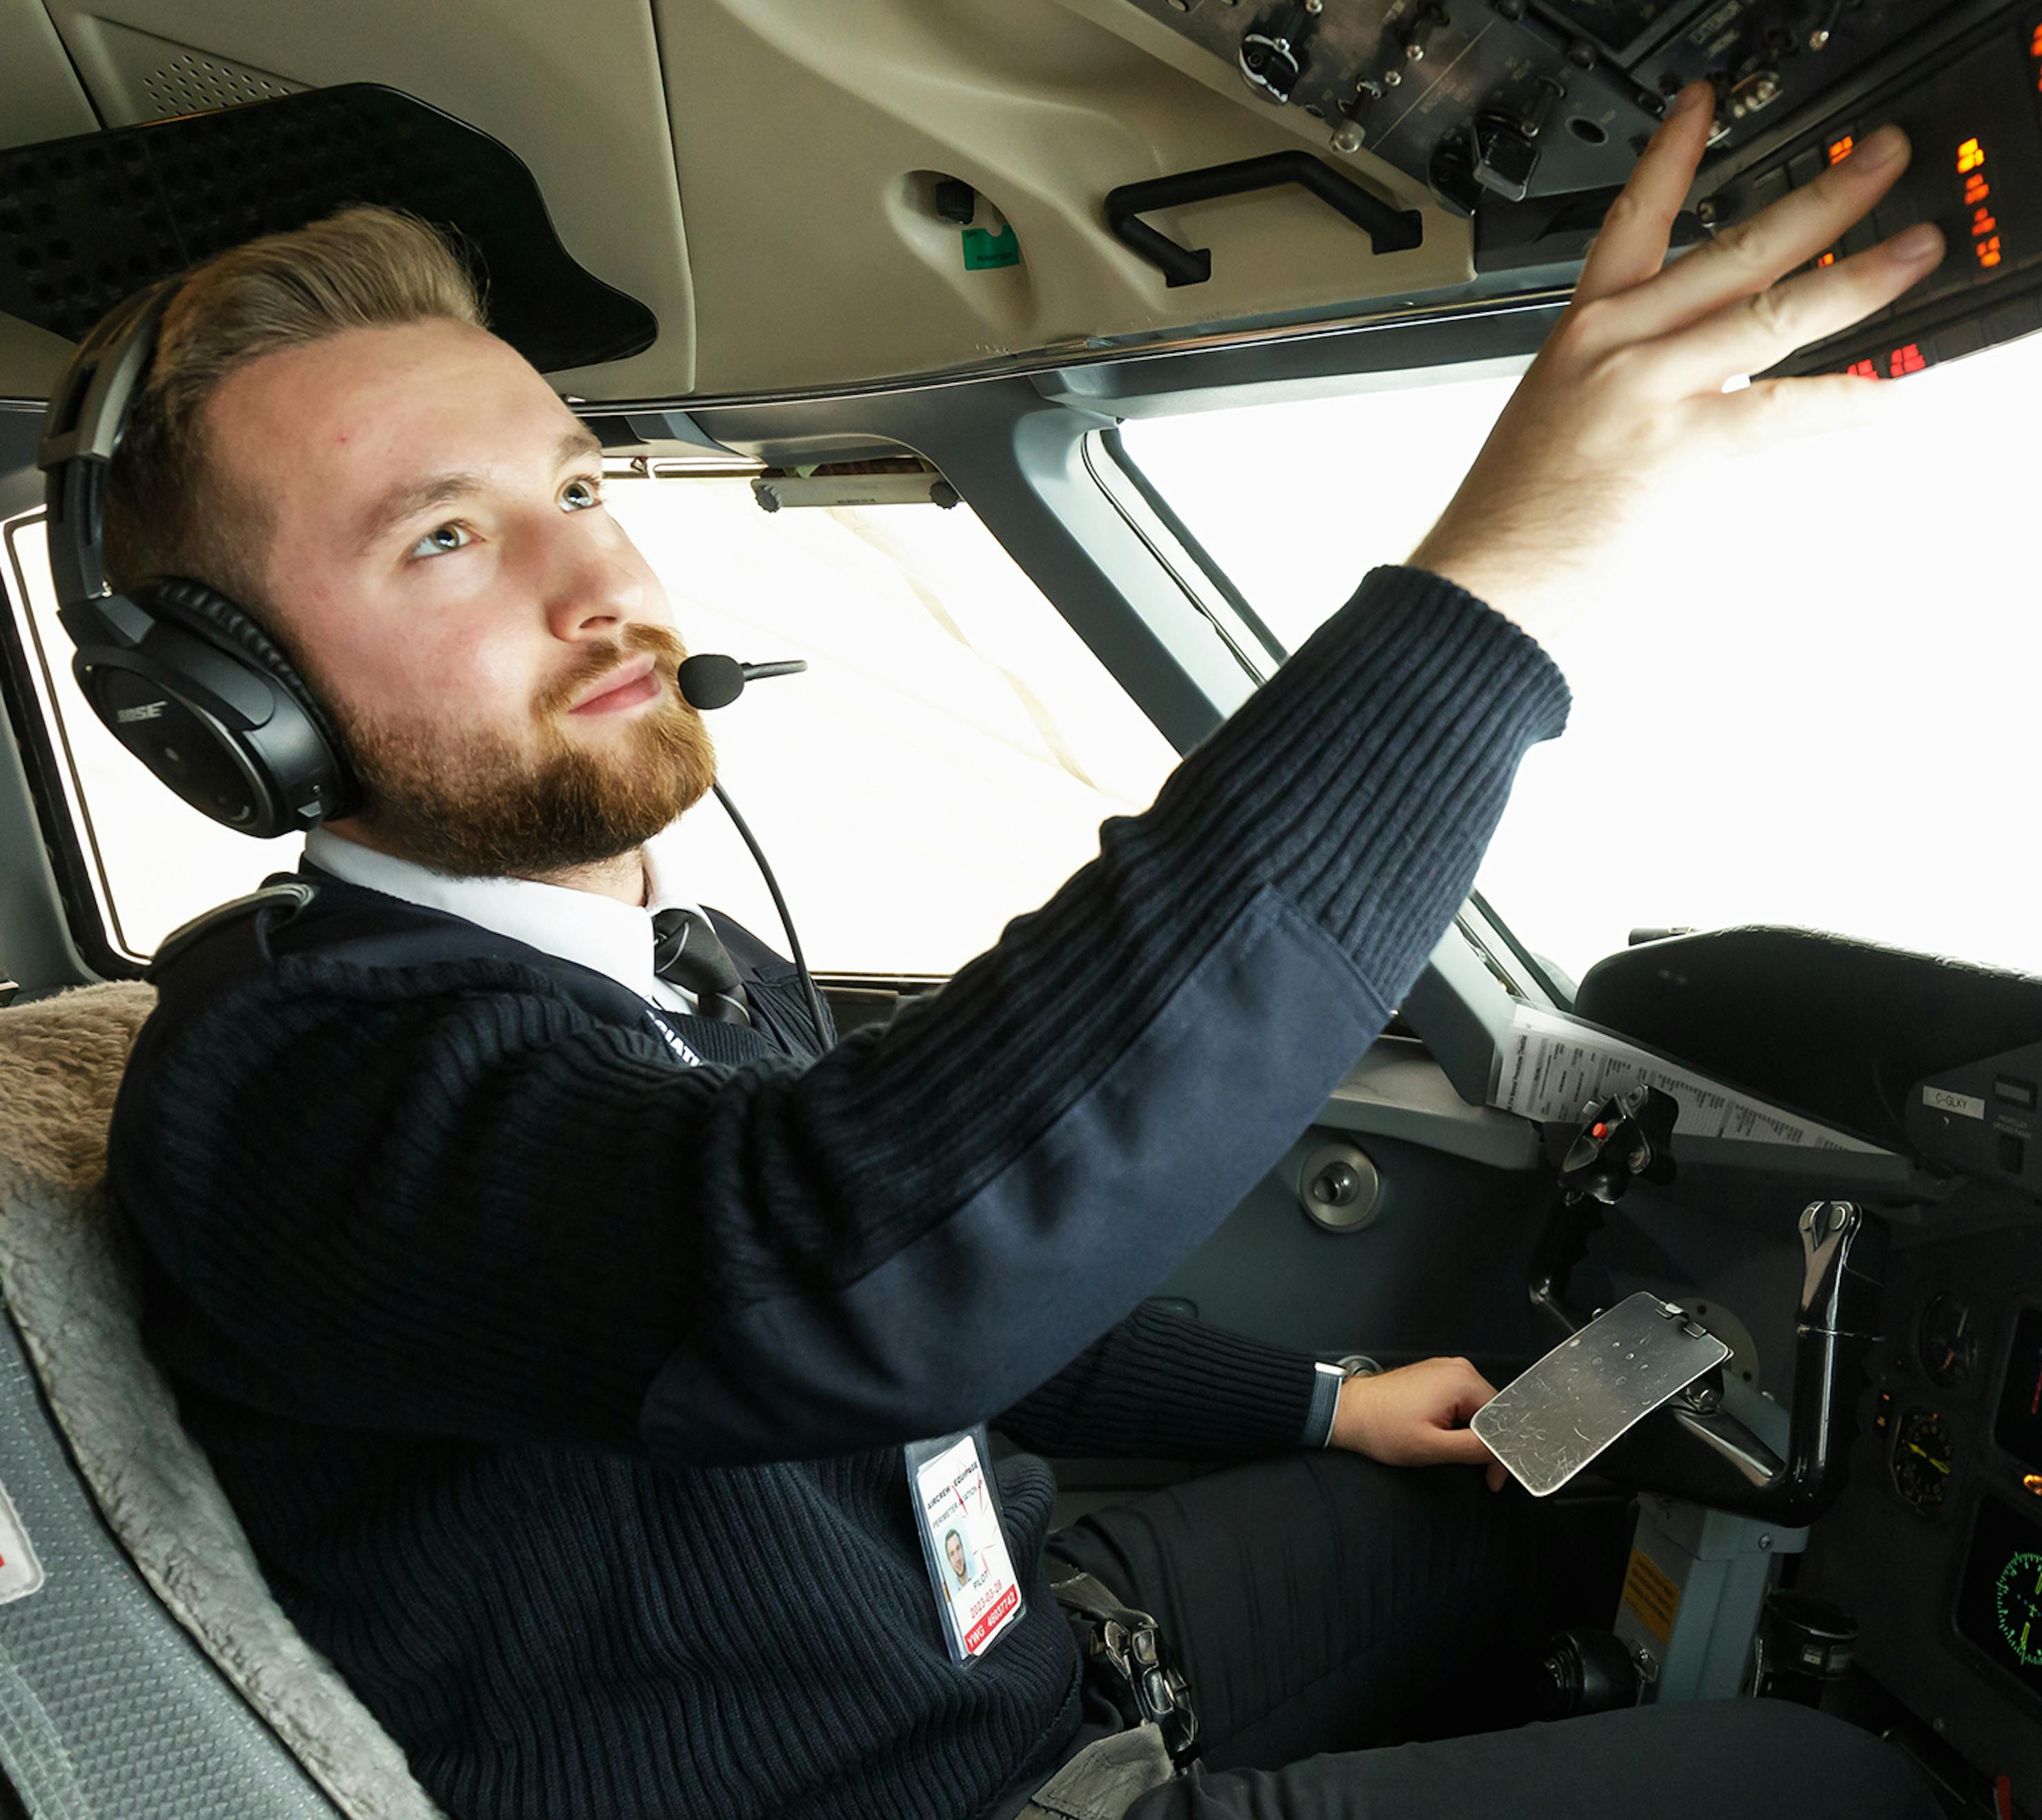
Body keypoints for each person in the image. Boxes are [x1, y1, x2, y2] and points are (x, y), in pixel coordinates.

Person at [96, 77, 1941, 1820]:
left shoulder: (689, 966)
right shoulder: (284, 1088)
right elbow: (857, 1277)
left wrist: (1322, 1401)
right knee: (1827, 1791)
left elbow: (962, 1314)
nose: (602, 594)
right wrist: (1505, 581)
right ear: (229, 704)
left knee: (1540, 1497)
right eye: (441, 538)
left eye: (577, 491)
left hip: (1032, 1650)